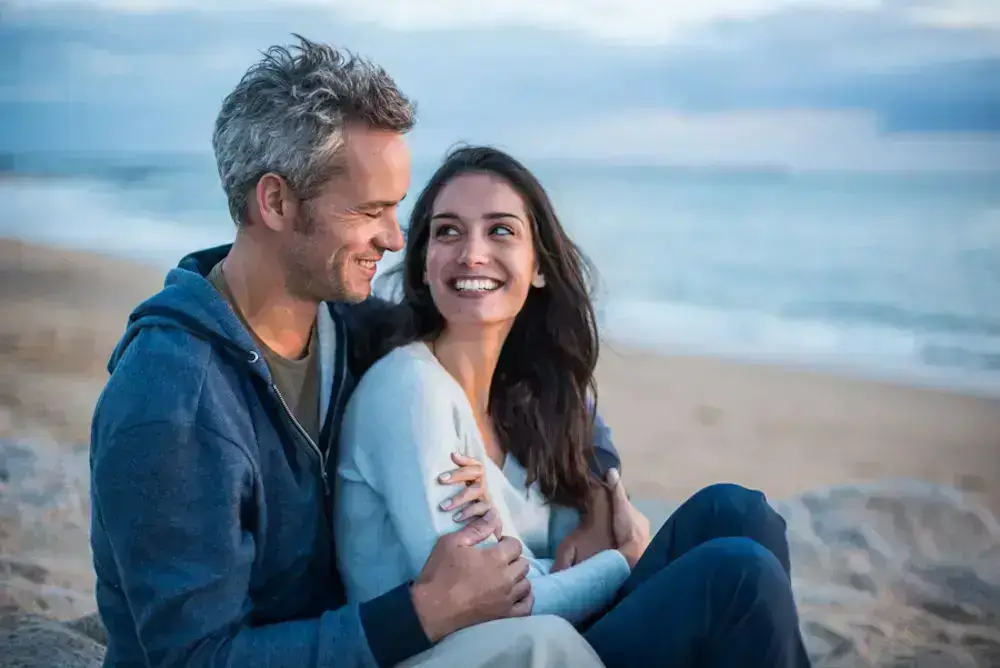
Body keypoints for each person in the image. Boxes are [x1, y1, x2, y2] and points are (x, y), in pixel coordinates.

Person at [88, 36, 615, 668]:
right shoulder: (174, 404)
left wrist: (593, 491)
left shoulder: (350, 329)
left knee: (728, 533)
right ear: (277, 202)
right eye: (372, 210)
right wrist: (421, 612)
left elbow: (523, 358)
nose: (396, 239)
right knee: (545, 645)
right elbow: (196, 659)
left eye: (397, 209)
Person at [335, 145, 815, 667]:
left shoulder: (528, 396)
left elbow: (531, 571)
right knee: (738, 574)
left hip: (549, 632)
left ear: (538, 266)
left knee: (738, 510)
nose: (472, 253)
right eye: (448, 231)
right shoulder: (409, 390)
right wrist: (619, 562)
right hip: (471, 653)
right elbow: (490, 603)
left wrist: (592, 512)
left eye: (500, 230)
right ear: (424, 265)